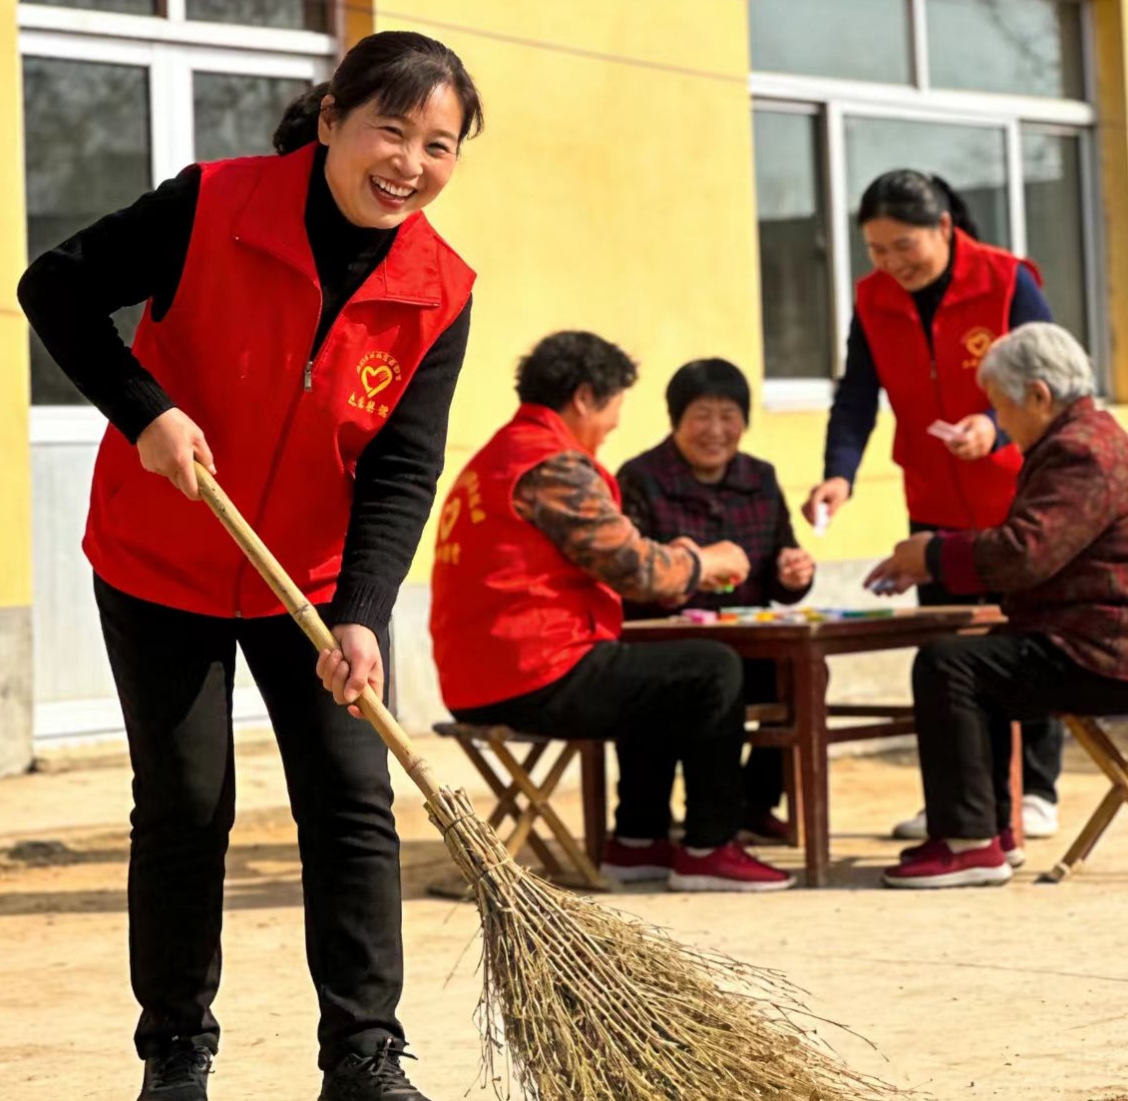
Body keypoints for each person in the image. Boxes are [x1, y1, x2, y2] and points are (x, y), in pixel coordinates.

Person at [18, 32, 482, 1101]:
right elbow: (57, 288)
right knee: (186, 804)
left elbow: (403, 467)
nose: (410, 163)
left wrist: (361, 613)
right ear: (330, 120)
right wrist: (145, 411)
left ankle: (362, 1062)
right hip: (161, 553)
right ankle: (175, 1055)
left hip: (309, 582)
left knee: (353, 802)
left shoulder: (440, 289)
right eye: (391, 130)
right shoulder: (215, 204)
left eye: (439, 145)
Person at [429, 331, 796, 893]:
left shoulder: (502, 455)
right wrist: (705, 561)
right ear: (584, 398)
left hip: (485, 672)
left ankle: (639, 839)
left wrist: (682, 563)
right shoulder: (553, 465)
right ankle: (710, 846)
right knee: (712, 668)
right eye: (615, 405)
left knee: (656, 674)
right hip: (533, 671)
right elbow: (635, 569)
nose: (616, 423)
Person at [866, 324, 1128, 889]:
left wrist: (932, 553)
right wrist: (939, 559)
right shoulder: (1090, 439)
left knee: (948, 665)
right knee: (981, 661)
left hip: (1122, 656)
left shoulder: (1080, 452)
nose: (1001, 421)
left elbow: (1025, 553)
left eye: (1001, 406)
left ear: (1040, 396)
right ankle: (990, 834)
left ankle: (968, 843)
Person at [802, 168, 1061, 843]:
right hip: (934, 502)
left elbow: (1051, 382)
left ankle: (1035, 790)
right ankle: (957, 801)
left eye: (903, 246)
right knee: (946, 651)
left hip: (1018, 497)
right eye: (876, 250)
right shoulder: (873, 298)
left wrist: (994, 428)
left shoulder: (1007, 281)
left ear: (944, 227)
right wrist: (839, 476)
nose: (892, 263)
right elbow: (856, 395)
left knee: (1025, 638)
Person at [617, 357, 815, 842]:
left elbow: (780, 569)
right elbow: (629, 576)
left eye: (729, 416)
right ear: (676, 419)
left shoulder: (761, 478)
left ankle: (754, 803)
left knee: (803, 674)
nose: (716, 430)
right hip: (666, 642)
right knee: (685, 682)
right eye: (702, 416)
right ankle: (644, 825)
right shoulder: (640, 478)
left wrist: (793, 573)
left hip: (749, 642)